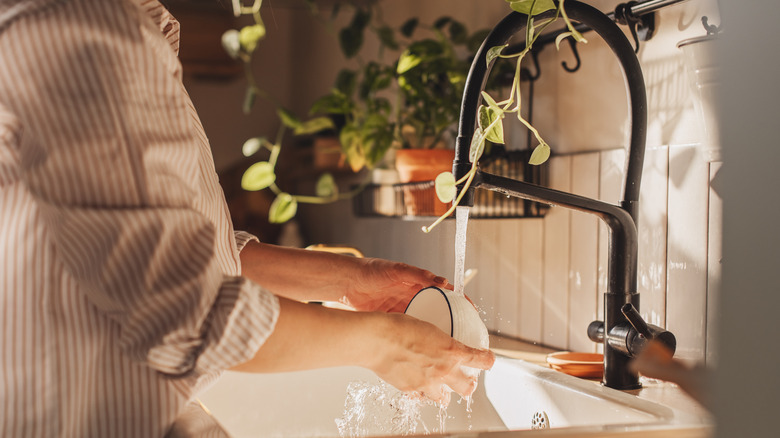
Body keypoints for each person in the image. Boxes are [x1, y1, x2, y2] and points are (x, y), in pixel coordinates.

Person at [0, 0, 494, 436]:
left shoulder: (127, 25)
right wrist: (384, 345)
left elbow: (182, 245)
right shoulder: (83, 24)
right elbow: (186, 317)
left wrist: (349, 281)